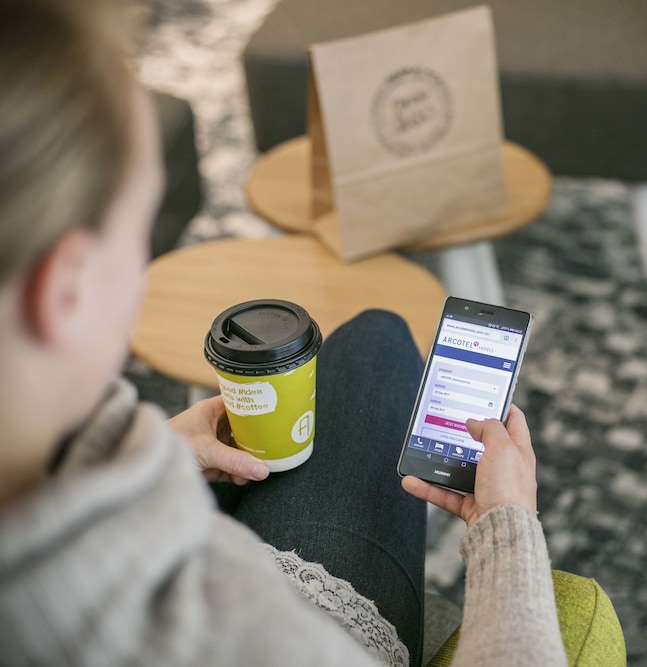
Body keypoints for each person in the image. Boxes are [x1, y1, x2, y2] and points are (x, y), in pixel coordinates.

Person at [0, 1, 568, 665]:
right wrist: (508, 526)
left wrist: (144, 452)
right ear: (64, 288)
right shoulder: (253, 642)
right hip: (293, 599)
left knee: (366, 342)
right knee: (381, 335)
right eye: (140, 226)